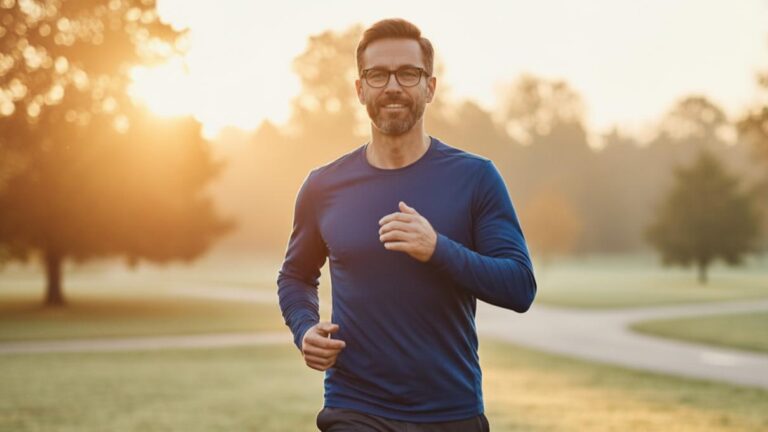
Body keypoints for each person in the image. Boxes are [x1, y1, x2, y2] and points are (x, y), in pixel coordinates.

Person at [277, 18, 537, 432]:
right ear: (360, 89)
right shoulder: (323, 186)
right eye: (378, 75)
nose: (393, 86)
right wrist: (304, 328)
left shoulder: (476, 178)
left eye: (408, 73)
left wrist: (438, 249)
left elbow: (519, 287)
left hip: (450, 410)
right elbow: (295, 275)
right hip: (354, 406)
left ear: (429, 87)